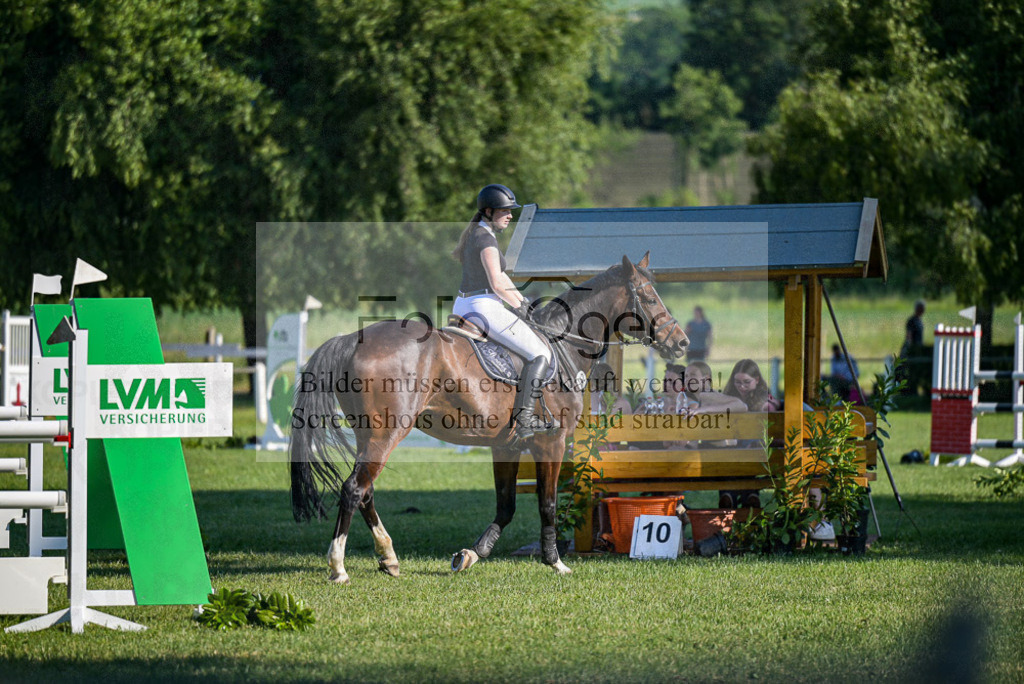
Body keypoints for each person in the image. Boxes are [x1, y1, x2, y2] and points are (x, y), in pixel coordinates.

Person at [452, 184, 554, 441]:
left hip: (464, 304)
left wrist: (523, 300)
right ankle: (525, 418)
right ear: (488, 211)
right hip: (483, 306)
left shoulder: (477, 233)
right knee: (541, 352)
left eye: (511, 211)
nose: (510, 215)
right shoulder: (485, 238)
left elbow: (502, 278)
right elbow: (496, 284)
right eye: (505, 211)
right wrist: (519, 307)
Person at [719, 359, 780, 509]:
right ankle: (749, 495)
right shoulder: (728, 396)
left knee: (745, 451)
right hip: (738, 451)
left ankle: (729, 495)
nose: (741, 387)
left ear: (757, 379)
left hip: (753, 451)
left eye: (746, 382)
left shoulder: (765, 398)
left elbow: (773, 407)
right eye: (737, 382)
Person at [899, 300, 926, 395]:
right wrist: (910, 348)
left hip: (918, 348)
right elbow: (909, 336)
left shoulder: (919, 321)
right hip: (912, 349)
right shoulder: (912, 321)